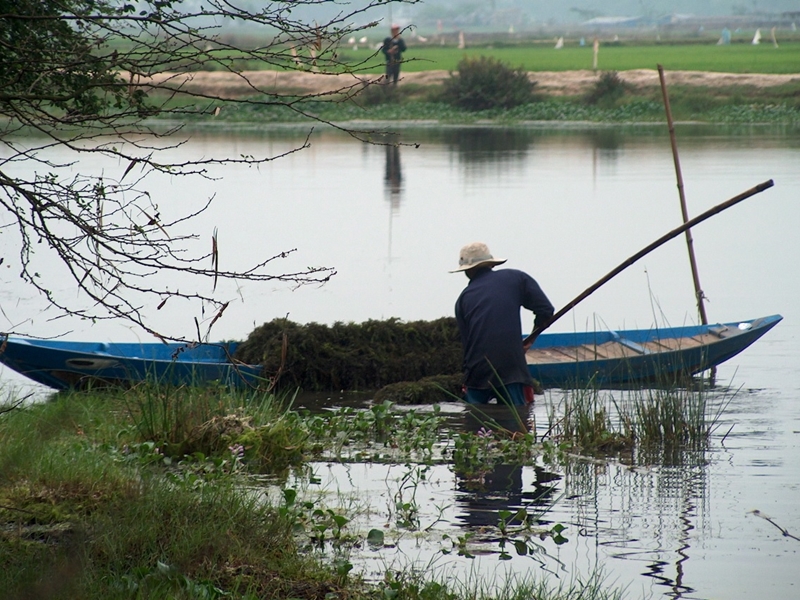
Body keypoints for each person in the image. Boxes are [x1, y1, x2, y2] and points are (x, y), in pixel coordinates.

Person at [451, 242, 554, 406]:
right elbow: (546, 311)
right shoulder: (517, 278)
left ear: (467, 271)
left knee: (474, 418)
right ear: (491, 264)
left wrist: (467, 378)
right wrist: (530, 341)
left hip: (478, 371)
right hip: (511, 368)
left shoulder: (463, 299)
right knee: (518, 418)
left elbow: (467, 345)